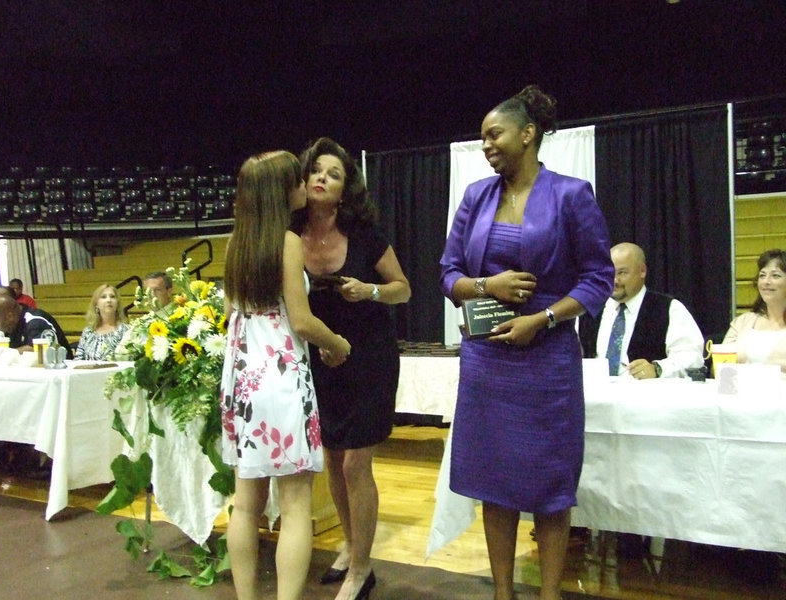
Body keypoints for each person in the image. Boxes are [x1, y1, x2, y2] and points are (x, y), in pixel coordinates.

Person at [439, 85, 614, 600]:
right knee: (494, 482)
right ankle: (502, 592)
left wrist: (543, 318)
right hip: (487, 360)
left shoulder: (571, 194)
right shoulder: (476, 197)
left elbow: (598, 278)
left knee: (549, 484)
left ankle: (549, 594)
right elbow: (448, 273)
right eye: (482, 138)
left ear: (528, 134)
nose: (486, 145)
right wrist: (485, 286)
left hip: (548, 360)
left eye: (494, 134)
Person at [220, 151, 351, 600]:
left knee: (245, 505)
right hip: (279, 378)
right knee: (295, 506)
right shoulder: (288, 242)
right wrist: (337, 343)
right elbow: (301, 320)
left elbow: (231, 313)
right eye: (298, 179)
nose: (304, 184)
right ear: (281, 191)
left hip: (241, 380)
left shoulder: (235, 243)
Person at [291, 137, 411, 600]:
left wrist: (370, 291)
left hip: (369, 356)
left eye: (334, 174)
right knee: (333, 459)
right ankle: (349, 543)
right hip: (321, 357)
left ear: (345, 191)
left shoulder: (364, 234)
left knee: (357, 462)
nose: (322, 178)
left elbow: (403, 288)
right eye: (316, 170)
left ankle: (362, 568)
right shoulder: (289, 234)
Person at [579, 242, 705, 378]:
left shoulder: (669, 309)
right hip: (594, 390)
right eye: (609, 273)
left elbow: (692, 357)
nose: (615, 280)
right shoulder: (589, 309)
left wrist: (658, 369)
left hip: (646, 390)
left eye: (622, 273)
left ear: (642, 271)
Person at [723, 248, 786, 373]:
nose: (766, 281)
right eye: (762, 275)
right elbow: (720, 365)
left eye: (775, 276)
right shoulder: (742, 322)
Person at [0, 294, 71, 358]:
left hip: (60, 369)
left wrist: (2, 354)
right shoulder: (12, 325)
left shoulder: (35, 321)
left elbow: (37, 349)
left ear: (9, 316)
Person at [73, 284, 130, 360]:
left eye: (112, 297)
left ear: (117, 304)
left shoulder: (126, 331)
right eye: (103, 297)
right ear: (96, 304)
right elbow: (78, 359)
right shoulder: (88, 331)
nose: (109, 300)